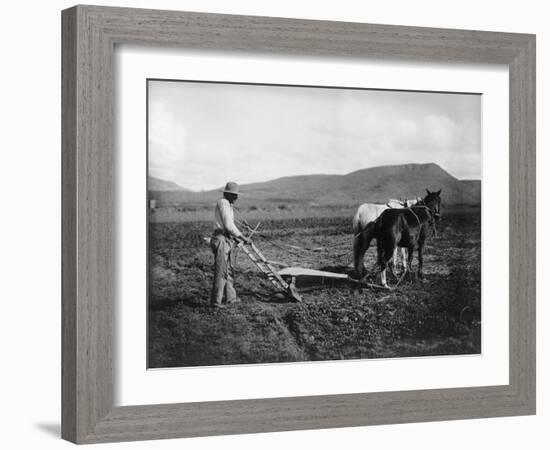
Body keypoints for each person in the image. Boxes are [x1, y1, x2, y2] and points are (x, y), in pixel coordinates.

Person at [210, 181, 251, 307]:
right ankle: (216, 302)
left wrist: (237, 238)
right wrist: (243, 237)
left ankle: (231, 299)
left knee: (229, 270)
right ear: (228, 194)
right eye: (235, 195)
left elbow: (229, 226)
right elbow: (228, 225)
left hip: (226, 239)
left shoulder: (228, 204)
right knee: (222, 271)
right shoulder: (223, 203)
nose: (237, 197)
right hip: (221, 239)